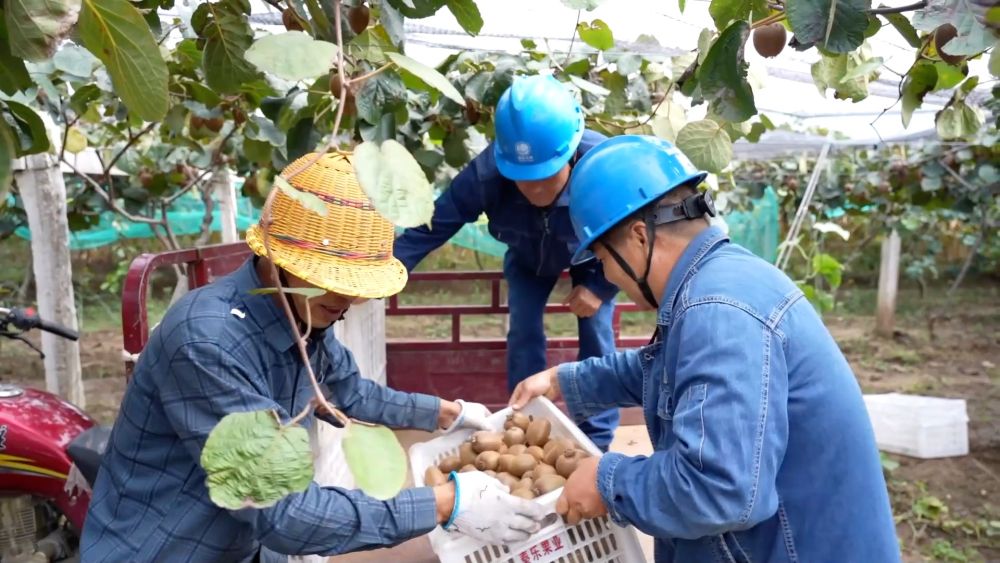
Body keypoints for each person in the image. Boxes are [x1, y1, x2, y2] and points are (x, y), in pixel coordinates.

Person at [81, 153, 550, 562]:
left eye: (354, 285)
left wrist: (450, 414)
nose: (348, 298)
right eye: (335, 279)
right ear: (279, 262)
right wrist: (445, 504)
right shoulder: (207, 343)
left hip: (243, 543)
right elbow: (283, 513)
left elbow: (347, 391)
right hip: (168, 549)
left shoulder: (302, 315)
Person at [509, 135, 900, 562]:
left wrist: (609, 481)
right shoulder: (720, 282)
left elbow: (716, 489)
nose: (607, 276)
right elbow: (665, 369)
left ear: (640, 238)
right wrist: (565, 380)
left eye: (602, 259)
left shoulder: (719, 310)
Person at [394, 74, 620, 451]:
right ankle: (526, 424)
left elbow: (638, 228)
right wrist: (386, 272)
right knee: (524, 331)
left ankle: (597, 441)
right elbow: (432, 227)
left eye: (546, 177)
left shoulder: (606, 165)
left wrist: (599, 286)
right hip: (528, 256)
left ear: (571, 152)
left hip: (592, 255)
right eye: (522, 178)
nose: (534, 190)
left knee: (596, 330)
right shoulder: (485, 175)